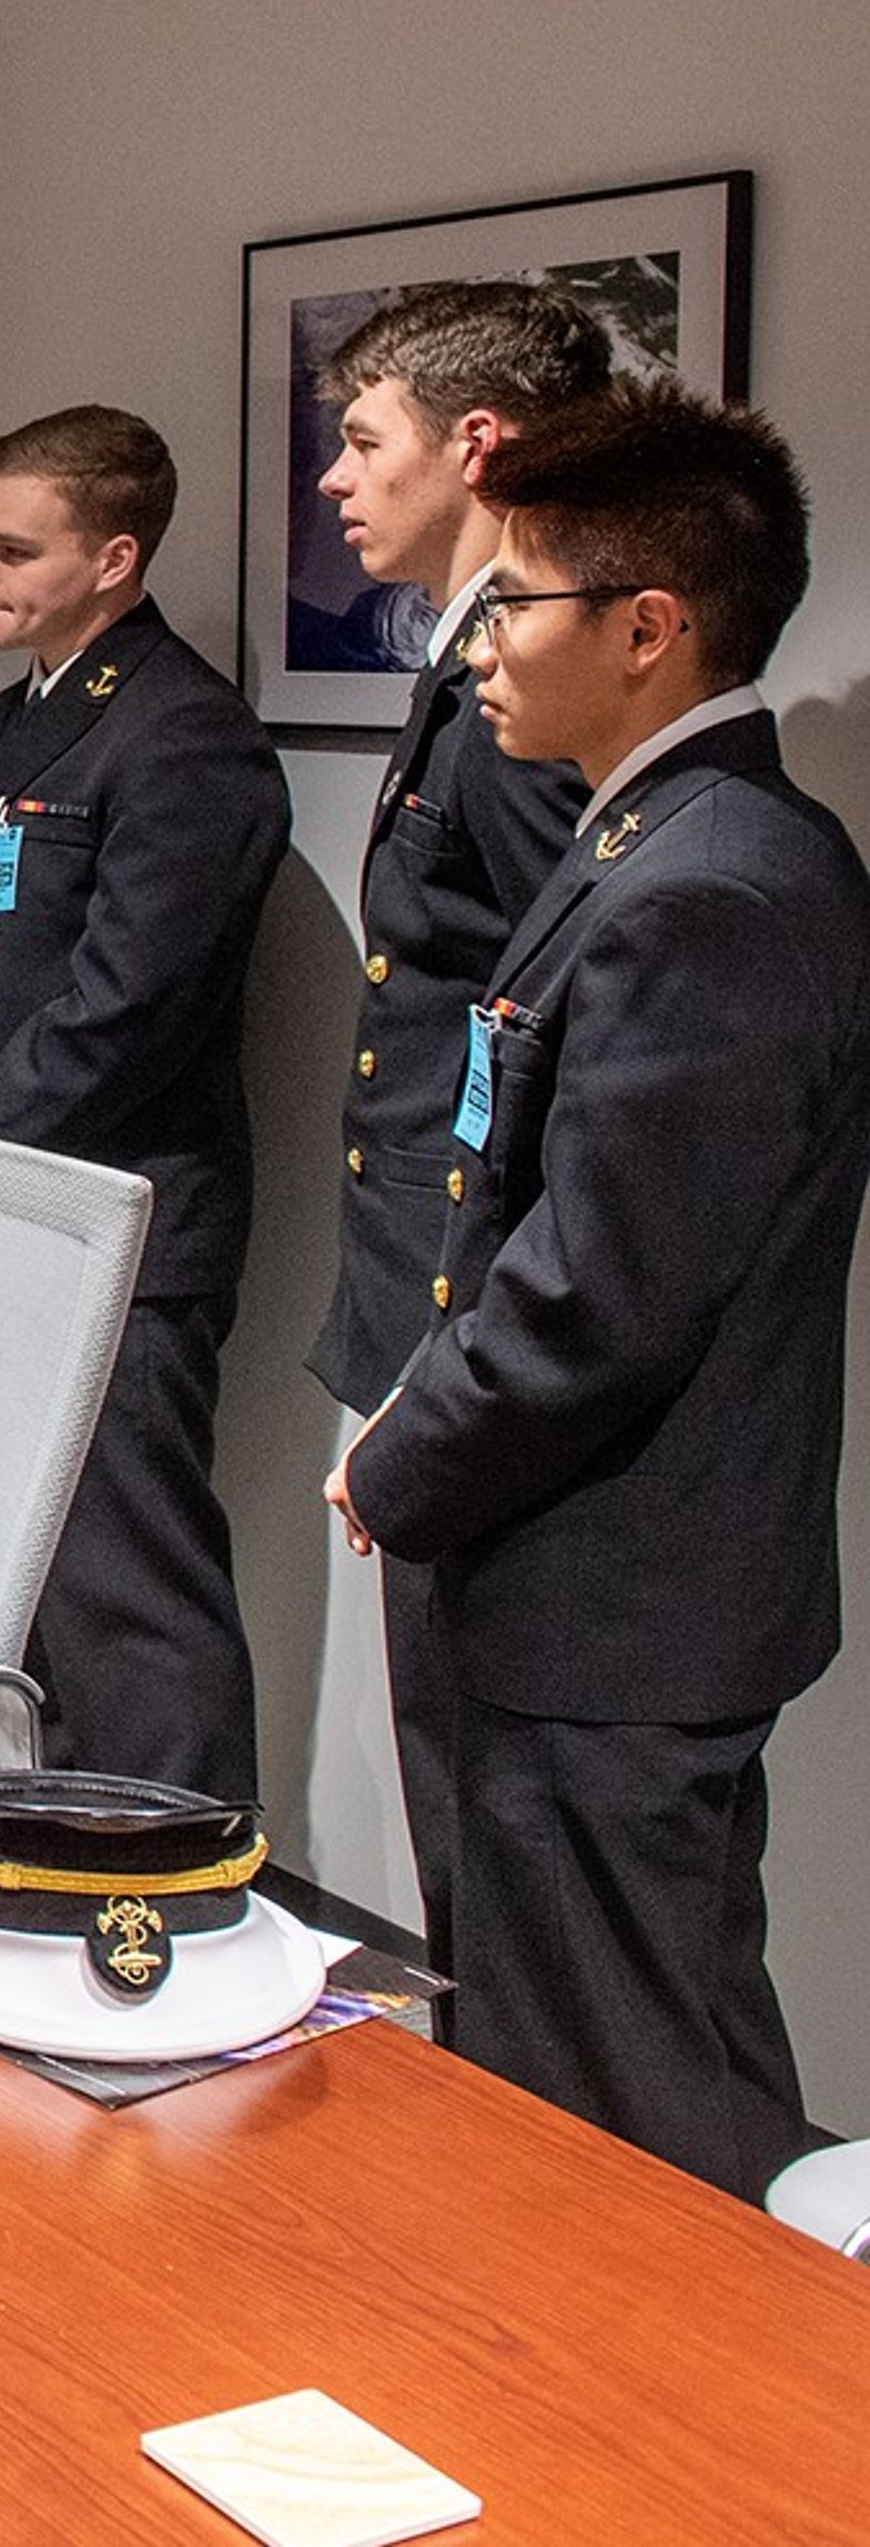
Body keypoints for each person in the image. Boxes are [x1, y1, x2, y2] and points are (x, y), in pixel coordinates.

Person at [326, 383, 870, 2199]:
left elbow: (602, 1293)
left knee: (635, 2111)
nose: (474, 642)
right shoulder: (636, 841)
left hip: (622, 1601)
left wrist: (404, 1455)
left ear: (649, 629)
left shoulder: (715, 882)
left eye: (515, 601)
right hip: (569, 1575)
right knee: (557, 2074)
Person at [0, 407, 290, 1800]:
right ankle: (53, 1836)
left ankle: (178, 1881)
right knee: (18, 1577)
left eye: (14, 549)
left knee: (133, 1592)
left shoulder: (185, 737)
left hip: (116, 1222)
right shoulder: (11, 722)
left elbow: (125, 1013)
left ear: (115, 557)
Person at [298, 282, 611, 1971]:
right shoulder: (466, 664)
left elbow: (554, 1019)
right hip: (423, 1254)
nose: (336, 480)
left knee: (496, 1819)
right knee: (442, 1787)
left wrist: (458, 1324)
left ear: (474, 445)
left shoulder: (531, 699)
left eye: (363, 441)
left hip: (475, 1285)